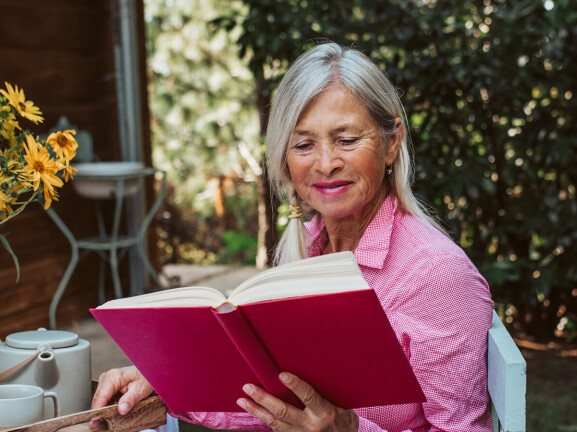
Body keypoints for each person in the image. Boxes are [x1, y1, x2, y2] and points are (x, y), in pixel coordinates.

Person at [90, 42, 494, 432]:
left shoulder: (436, 275)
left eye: (347, 140)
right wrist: (165, 382)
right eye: (304, 144)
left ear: (392, 143)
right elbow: (279, 403)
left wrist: (349, 431)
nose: (325, 163)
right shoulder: (306, 250)